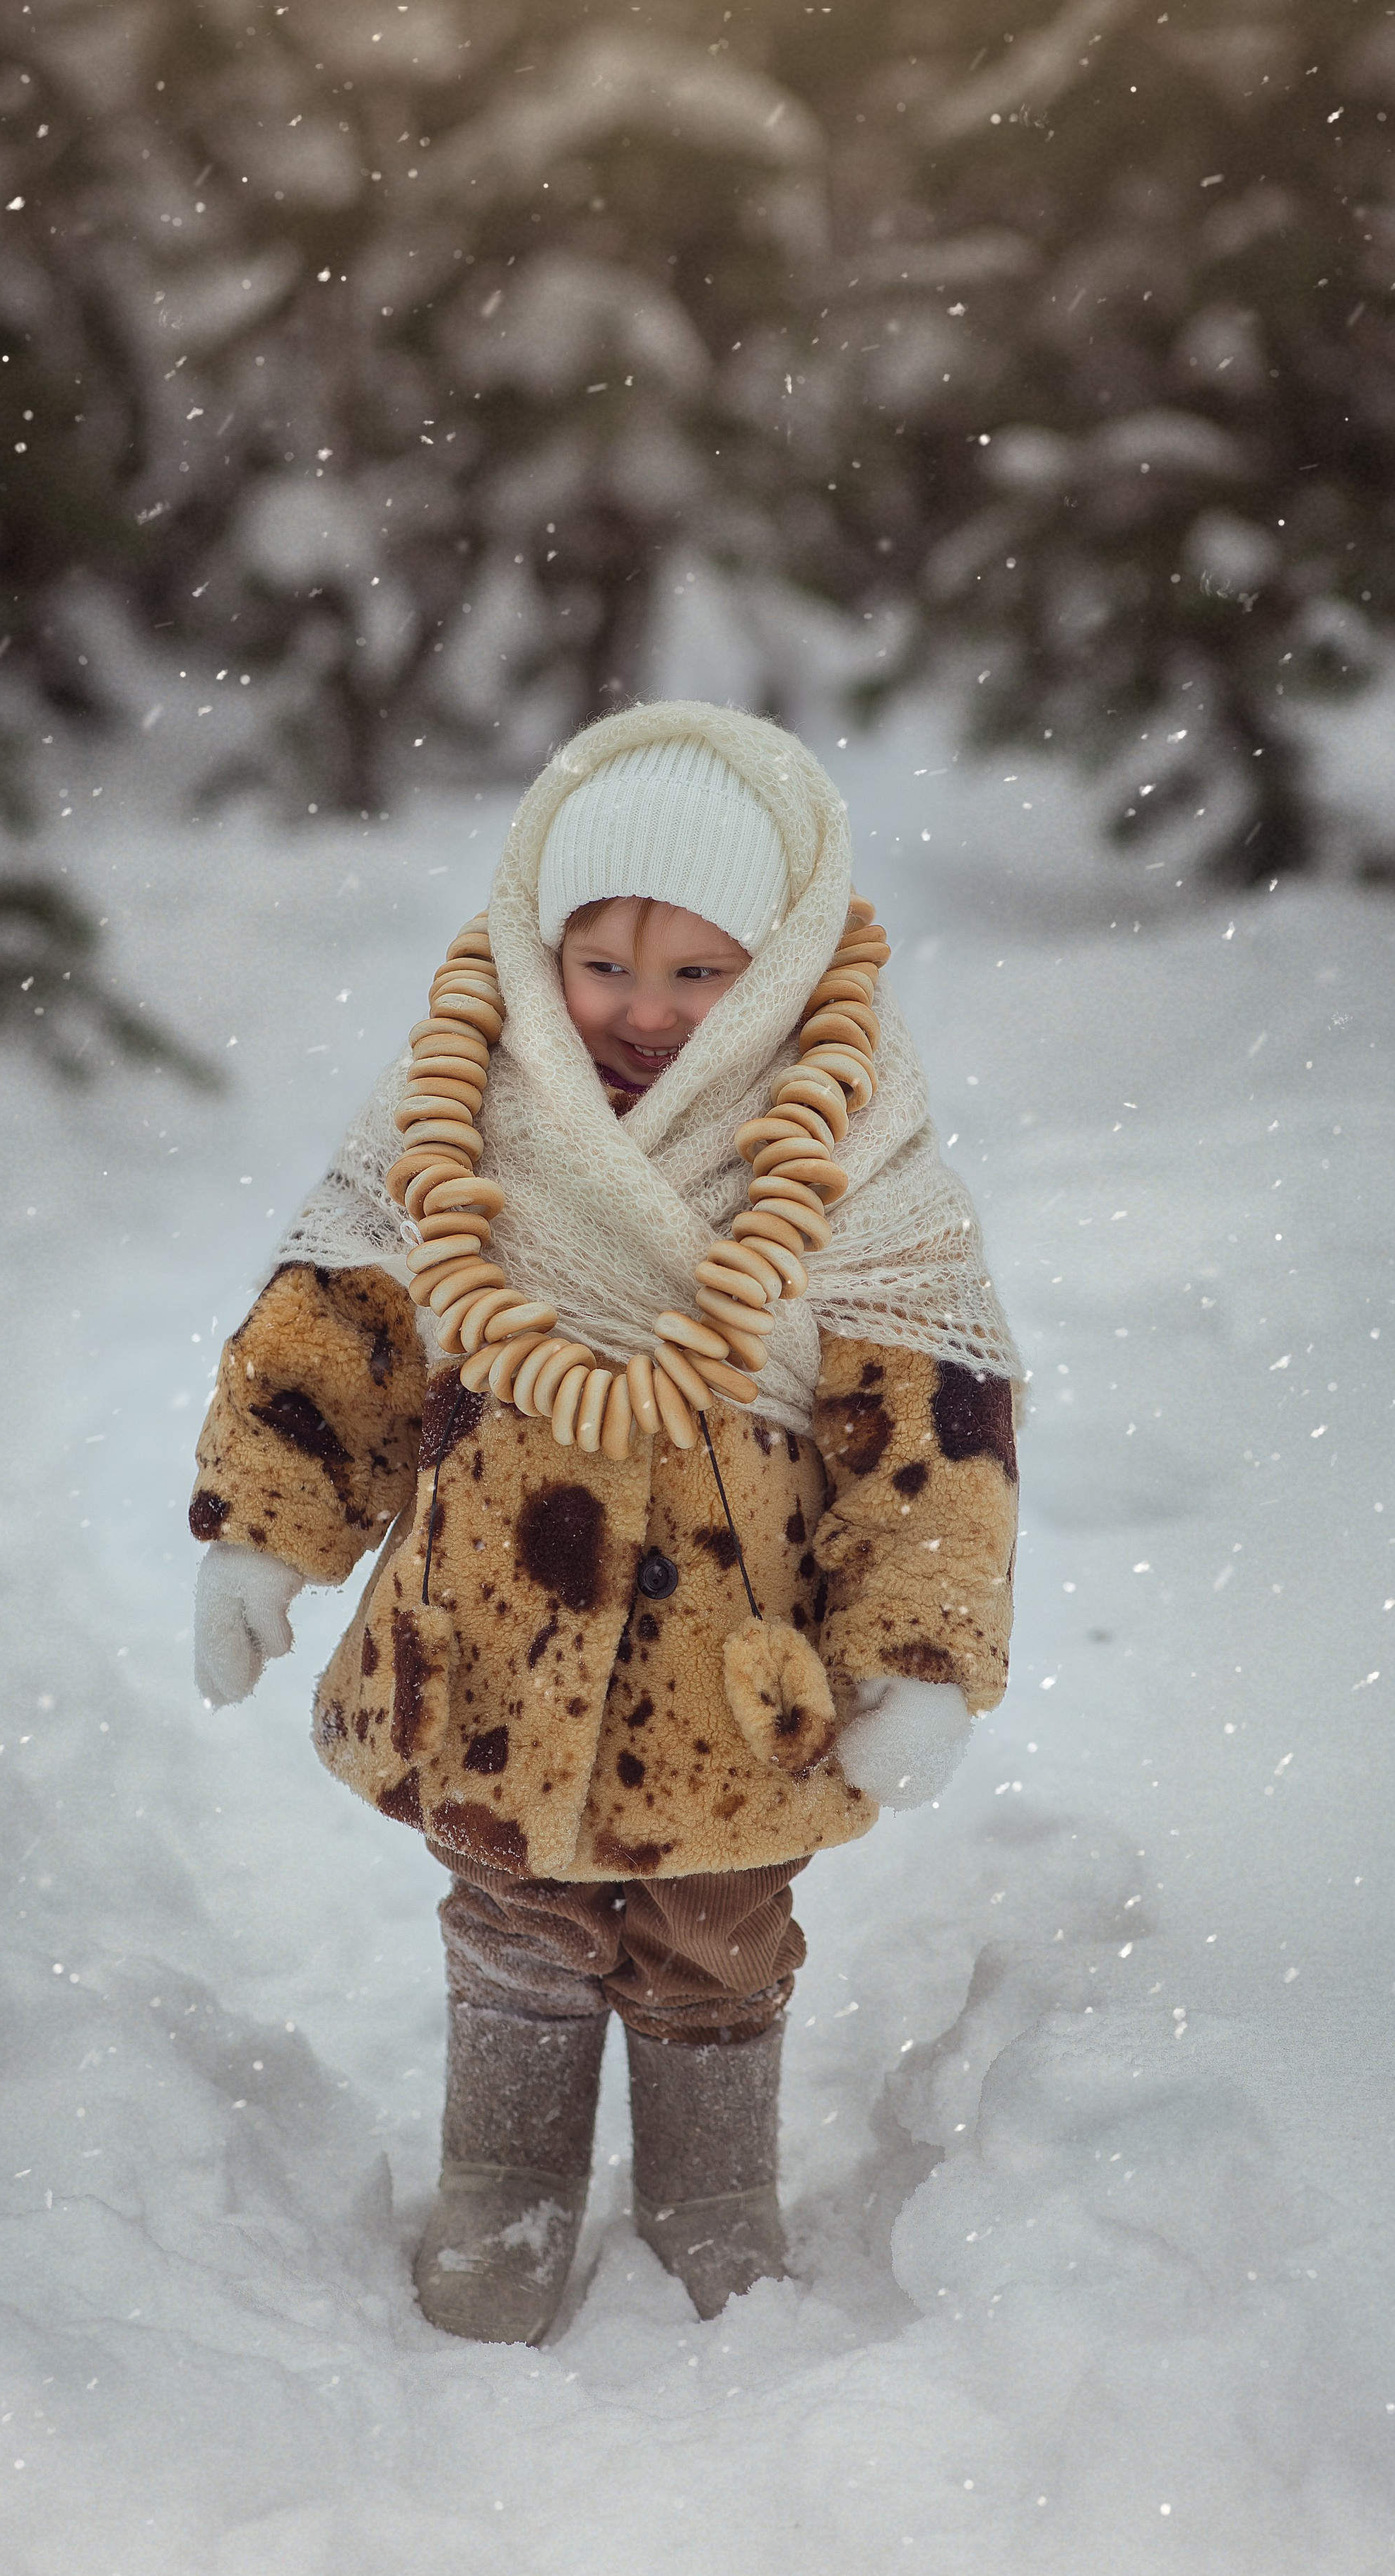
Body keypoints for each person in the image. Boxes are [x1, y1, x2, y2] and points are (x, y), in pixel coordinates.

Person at [187, 702, 1023, 2344]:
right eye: (601, 964)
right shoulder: (460, 1099)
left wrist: (917, 1650)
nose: (640, 1012)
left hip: (737, 1651)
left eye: (694, 973)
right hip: (490, 1614)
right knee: (507, 1906)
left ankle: (714, 2190)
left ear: (773, 966)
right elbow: (337, 1333)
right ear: (532, 938)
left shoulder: (849, 1129)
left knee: (719, 1925)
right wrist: (262, 1534)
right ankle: (501, 2183)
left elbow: (929, 1412)